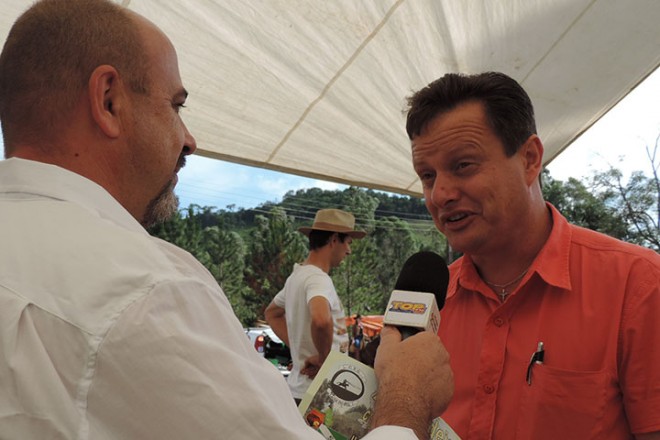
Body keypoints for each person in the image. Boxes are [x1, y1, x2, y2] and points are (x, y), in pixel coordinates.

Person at [0, 1, 455, 439]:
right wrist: (404, 399)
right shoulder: (145, 288)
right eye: (176, 106)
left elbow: (273, 314)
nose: (189, 139)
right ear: (109, 101)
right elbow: (319, 319)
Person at [405, 71, 660, 439]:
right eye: (427, 176)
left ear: (529, 159)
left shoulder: (638, 287)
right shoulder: (429, 305)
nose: (440, 194)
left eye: (463, 165)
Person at [265, 208, 364, 404]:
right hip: (318, 393)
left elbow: (272, 313)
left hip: (299, 390)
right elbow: (320, 320)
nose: (349, 251)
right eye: (348, 243)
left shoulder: (297, 276)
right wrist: (324, 360)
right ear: (334, 240)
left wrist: (298, 347)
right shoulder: (318, 279)